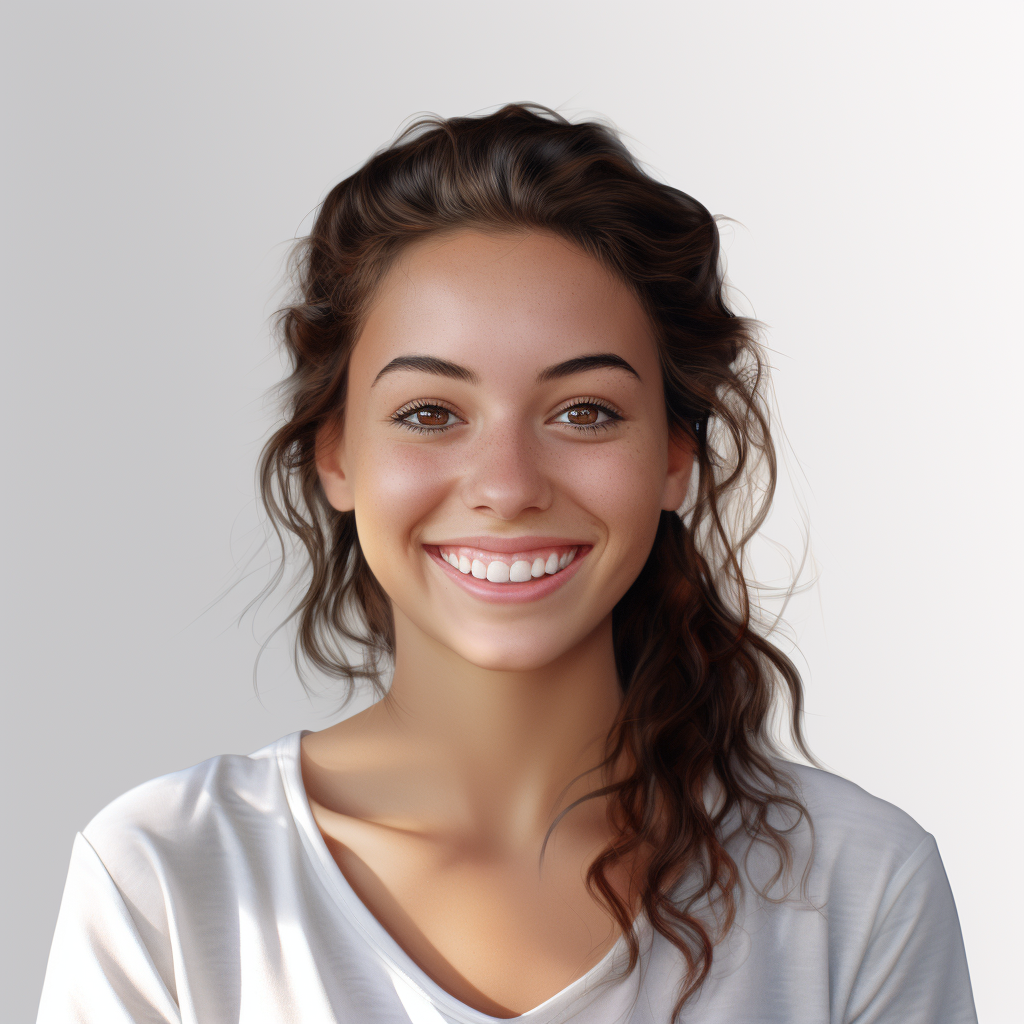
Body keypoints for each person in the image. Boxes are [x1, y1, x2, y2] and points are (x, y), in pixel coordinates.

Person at [36, 103, 978, 1024]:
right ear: (336, 456)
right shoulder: (164, 877)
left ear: (675, 459)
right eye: (430, 414)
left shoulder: (860, 889)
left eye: (585, 412)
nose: (507, 485)